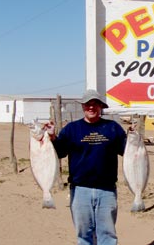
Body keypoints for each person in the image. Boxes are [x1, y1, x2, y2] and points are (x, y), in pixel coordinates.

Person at [45, 89, 127, 245]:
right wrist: (53, 137)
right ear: (83, 107)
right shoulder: (72, 129)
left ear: (101, 107)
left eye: (95, 104)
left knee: (107, 235)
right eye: (88, 104)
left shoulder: (113, 128)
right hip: (80, 189)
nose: (91, 108)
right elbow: (60, 152)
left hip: (107, 190)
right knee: (83, 235)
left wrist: (135, 141)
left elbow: (127, 152)